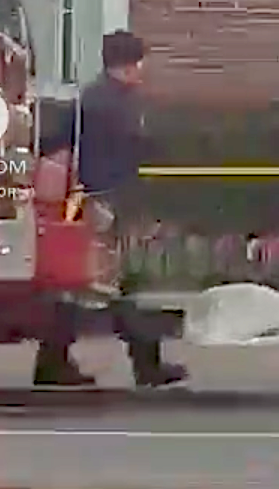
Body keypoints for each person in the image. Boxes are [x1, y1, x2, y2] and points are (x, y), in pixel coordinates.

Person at [33, 30, 187, 388]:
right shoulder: (121, 105)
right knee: (120, 285)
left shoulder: (90, 97)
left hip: (90, 200)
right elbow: (137, 151)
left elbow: (57, 141)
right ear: (133, 63)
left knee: (89, 286)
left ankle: (54, 361)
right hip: (110, 203)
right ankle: (144, 365)